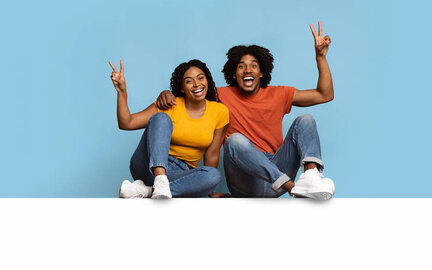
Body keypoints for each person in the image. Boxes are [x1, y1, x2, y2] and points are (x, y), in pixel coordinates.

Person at [156, 22, 335, 200]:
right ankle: (291, 186)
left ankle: (311, 178)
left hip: (277, 167)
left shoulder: (280, 93)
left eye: (254, 65)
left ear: (262, 72)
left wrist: (321, 57)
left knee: (305, 120)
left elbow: (324, 95)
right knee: (235, 140)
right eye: (241, 66)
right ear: (234, 74)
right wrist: (166, 93)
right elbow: (192, 92)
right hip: (245, 179)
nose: (247, 70)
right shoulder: (218, 95)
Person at [109, 59, 229, 198]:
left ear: (207, 81)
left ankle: (146, 191)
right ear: (182, 87)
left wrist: (211, 191)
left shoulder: (219, 111)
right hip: (148, 166)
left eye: (201, 78)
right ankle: (160, 181)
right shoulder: (169, 104)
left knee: (213, 176)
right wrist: (122, 92)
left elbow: (212, 154)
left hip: (180, 173)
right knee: (161, 118)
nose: (197, 84)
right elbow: (127, 123)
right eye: (189, 81)